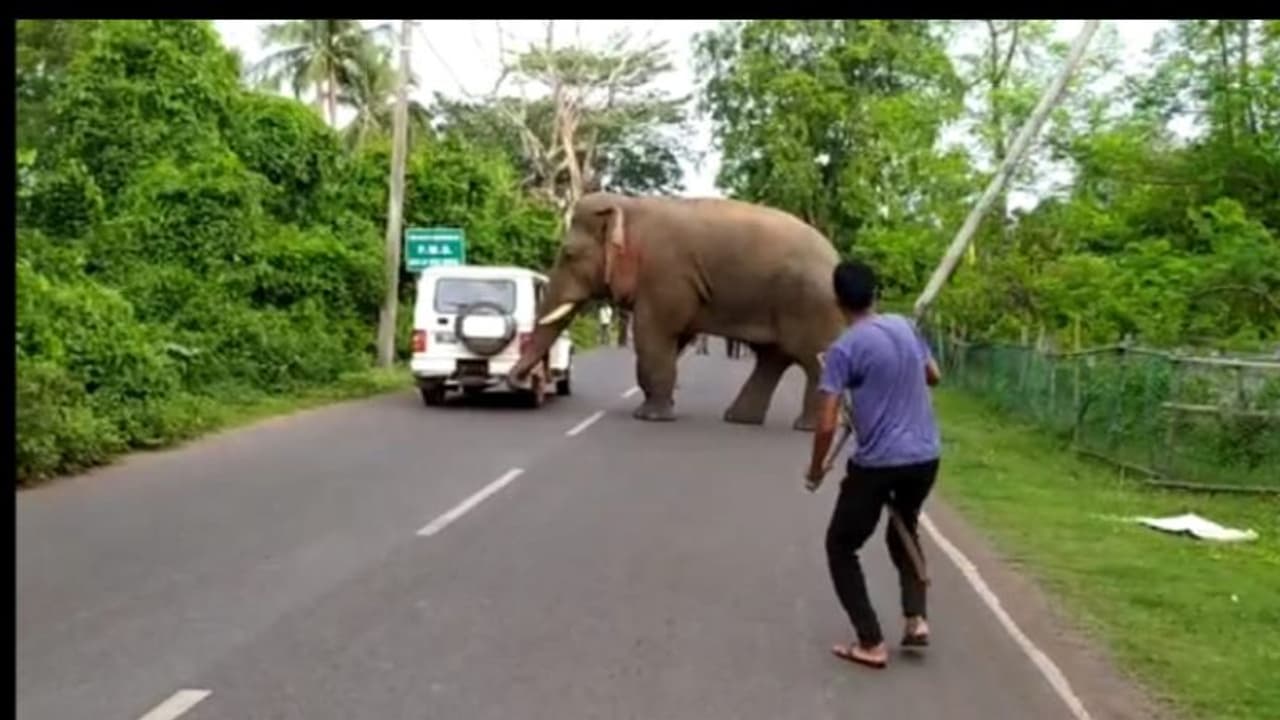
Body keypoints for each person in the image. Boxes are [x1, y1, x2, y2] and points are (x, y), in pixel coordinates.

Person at [804, 259, 942, 670]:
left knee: (841, 545)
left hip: (879, 463)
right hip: (925, 456)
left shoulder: (844, 349)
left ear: (837, 301)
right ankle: (915, 618)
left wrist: (815, 469)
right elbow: (934, 376)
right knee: (904, 526)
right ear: (875, 294)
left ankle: (871, 642)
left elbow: (825, 422)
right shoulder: (904, 327)